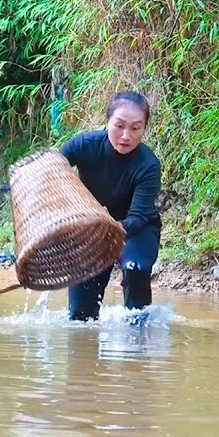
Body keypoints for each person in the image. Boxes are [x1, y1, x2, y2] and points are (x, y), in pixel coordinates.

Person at [59, 91, 161, 321]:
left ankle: (138, 335)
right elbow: (53, 169)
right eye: (119, 126)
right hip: (91, 228)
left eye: (136, 128)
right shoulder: (84, 145)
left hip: (135, 230)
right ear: (108, 122)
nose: (126, 136)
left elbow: (138, 217)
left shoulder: (149, 165)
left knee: (136, 268)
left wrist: (110, 224)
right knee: (80, 319)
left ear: (144, 128)